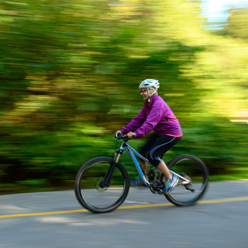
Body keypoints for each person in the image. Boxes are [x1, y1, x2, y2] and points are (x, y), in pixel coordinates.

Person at [116, 79, 183, 192]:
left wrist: (137, 133)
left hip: (172, 133)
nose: (141, 93)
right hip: (160, 133)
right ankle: (145, 178)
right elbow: (138, 119)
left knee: (152, 155)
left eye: (144, 91)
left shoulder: (158, 104)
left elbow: (150, 123)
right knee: (142, 151)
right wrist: (124, 131)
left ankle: (171, 178)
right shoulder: (148, 104)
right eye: (141, 91)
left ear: (152, 90)